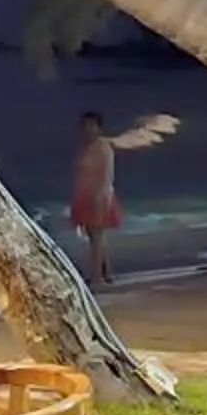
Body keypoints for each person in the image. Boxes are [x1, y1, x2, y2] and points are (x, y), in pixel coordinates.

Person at [71, 110, 122, 288]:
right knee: (95, 236)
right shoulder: (86, 147)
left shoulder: (103, 147)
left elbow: (108, 175)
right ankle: (106, 273)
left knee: (97, 236)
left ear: (99, 128)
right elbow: (80, 173)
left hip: (99, 195)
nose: (88, 129)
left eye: (92, 125)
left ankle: (97, 276)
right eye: (85, 126)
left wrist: (102, 198)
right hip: (85, 194)